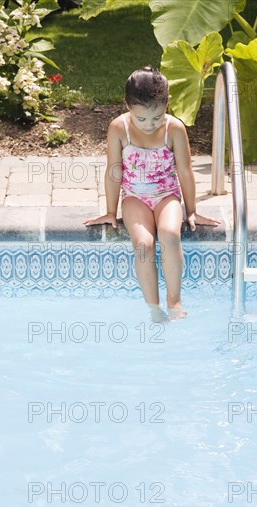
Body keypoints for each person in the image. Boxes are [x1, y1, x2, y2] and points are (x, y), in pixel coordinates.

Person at [84, 66, 220, 321]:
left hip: (167, 195)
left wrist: (192, 211)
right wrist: (111, 212)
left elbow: (186, 172)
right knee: (144, 245)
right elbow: (114, 172)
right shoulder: (118, 128)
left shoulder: (174, 129)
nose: (149, 125)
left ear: (167, 104)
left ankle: (174, 301)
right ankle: (154, 307)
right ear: (128, 106)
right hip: (134, 197)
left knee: (169, 234)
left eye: (156, 117)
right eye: (142, 119)